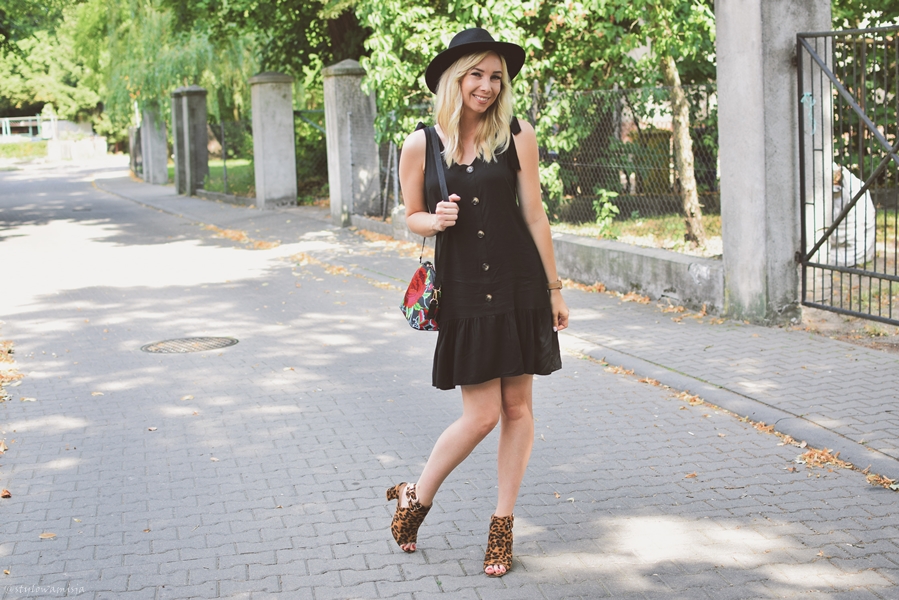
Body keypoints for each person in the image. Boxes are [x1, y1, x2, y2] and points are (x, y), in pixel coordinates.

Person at [387, 27, 569, 577]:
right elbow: (411, 216)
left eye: (495, 77)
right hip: (465, 290)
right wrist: (435, 219)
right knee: (482, 414)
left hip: (519, 284)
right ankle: (415, 497)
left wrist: (555, 288)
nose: (487, 86)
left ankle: (502, 526)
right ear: (455, 79)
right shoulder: (422, 143)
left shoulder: (516, 134)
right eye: (477, 75)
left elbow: (534, 214)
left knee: (518, 409)